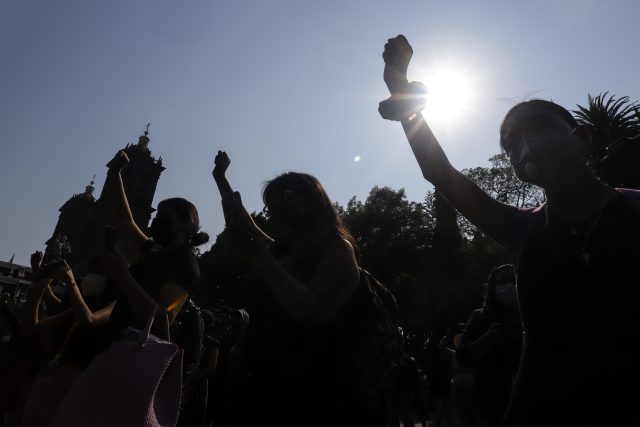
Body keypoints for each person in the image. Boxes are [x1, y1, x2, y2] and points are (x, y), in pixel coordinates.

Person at [380, 35, 640, 426]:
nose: (526, 144)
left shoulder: (635, 207)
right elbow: (439, 173)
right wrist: (399, 85)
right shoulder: (522, 229)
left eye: (538, 126)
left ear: (583, 138)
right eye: (511, 142)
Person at [212, 151, 384, 426]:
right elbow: (244, 225)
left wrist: (259, 258)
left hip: (317, 394)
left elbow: (314, 312)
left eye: (283, 201)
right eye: (269, 206)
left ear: (309, 202)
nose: (272, 212)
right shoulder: (284, 252)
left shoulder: (338, 249)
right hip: (264, 384)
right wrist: (220, 179)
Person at [102, 150, 208, 337]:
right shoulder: (155, 251)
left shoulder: (185, 262)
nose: (156, 221)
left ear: (185, 224)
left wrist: (122, 274)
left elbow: (163, 320)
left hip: (132, 357)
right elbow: (125, 222)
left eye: (163, 216)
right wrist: (115, 174)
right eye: (156, 215)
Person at [456, 265, 521, 427]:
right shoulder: (480, 317)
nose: (509, 285)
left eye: (513, 280)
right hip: (490, 406)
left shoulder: (527, 318)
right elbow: (463, 357)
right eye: (502, 281)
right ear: (492, 288)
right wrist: (487, 339)